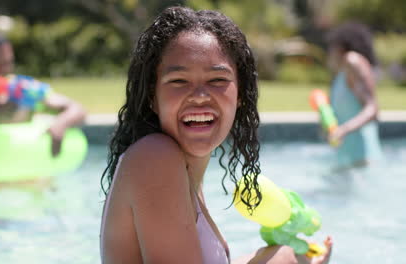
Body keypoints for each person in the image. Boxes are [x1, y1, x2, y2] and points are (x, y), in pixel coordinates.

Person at [99, 6, 332, 264]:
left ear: (240, 94)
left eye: (217, 80)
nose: (199, 95)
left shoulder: (182, 172)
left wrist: (291, 257)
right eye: (178, 81)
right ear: (153, 97)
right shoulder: (155, 158)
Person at [325, 22, 383, 169]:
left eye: (332, 46)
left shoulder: (353, 60)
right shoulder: (341, 75)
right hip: (348, 160)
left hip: (363, 160)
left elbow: (372, 109)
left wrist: (343, 130)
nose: (329, 51)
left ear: (340, 47)